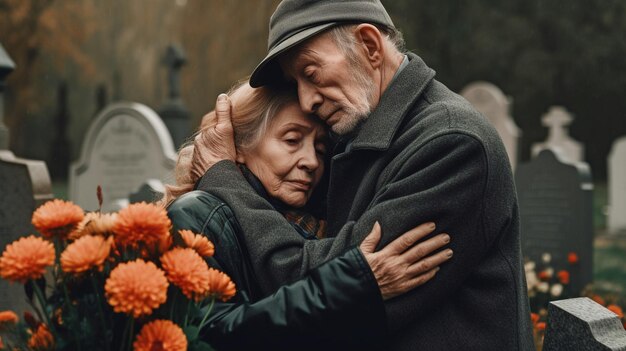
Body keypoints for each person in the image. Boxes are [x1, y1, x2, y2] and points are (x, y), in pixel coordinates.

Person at [192, 0, 535, 350]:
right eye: (295, 83)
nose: (306, 100)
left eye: (310, 73)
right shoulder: (355, 132)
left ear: (370, 46)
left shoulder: (451, 144)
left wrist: (223, 177)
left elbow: (303, 278)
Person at [166, 80, 452, 350]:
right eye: (292, 140)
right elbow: (207, 337)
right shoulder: (197, 216)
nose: (312, 162)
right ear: (238, 148)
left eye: (319, 148)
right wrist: (347, 289)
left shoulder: (318, 225)